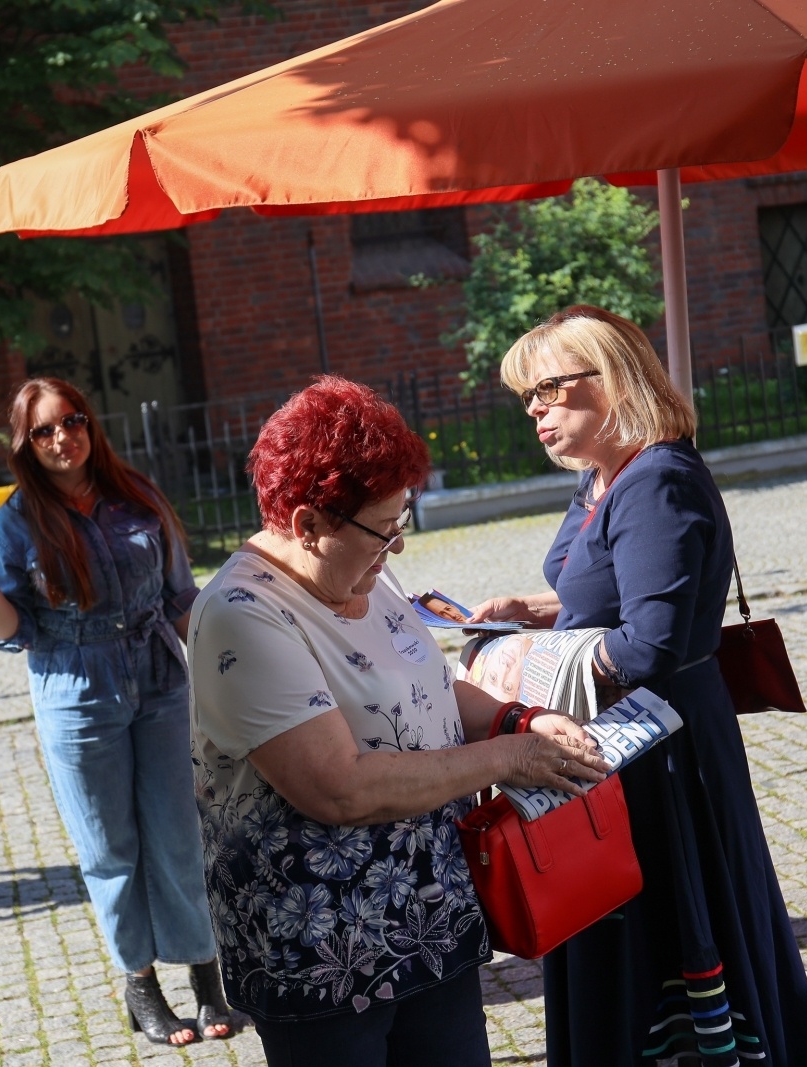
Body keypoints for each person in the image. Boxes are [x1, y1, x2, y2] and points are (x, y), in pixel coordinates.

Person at [186, 376, 609, 1067]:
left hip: (431, 920)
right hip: (325, 954)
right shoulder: (244, 614)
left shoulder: (364, 570)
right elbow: (339, 788)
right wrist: (510, 758)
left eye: (401, 521)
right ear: (309, 525)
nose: (397, 548)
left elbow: (424, 690)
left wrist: (517, 720)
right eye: (385, 529)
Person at [470, 306, 807, 1067]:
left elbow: (652, 643)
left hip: (660, 747)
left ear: (610, 379)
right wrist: (530, 610)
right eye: (527, 395)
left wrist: (522, 663)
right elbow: (610, 590)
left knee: (665, 920)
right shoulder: (603, 476)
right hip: (626, 737)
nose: (534, 408)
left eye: (547, 388)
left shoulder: (656, 481)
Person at [0, 377, 231, 1046]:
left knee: (178, 835)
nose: (61, 438)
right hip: (76, 693)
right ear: (26, 444)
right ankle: (141, 985)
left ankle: (206, 978)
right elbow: (8, 630)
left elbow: (180, 597)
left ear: (90, 423)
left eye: (71, 420)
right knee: (109, 848)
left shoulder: (138, 497)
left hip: (158, 682)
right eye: (43, 430)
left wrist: (222, 674)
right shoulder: (17, 522)